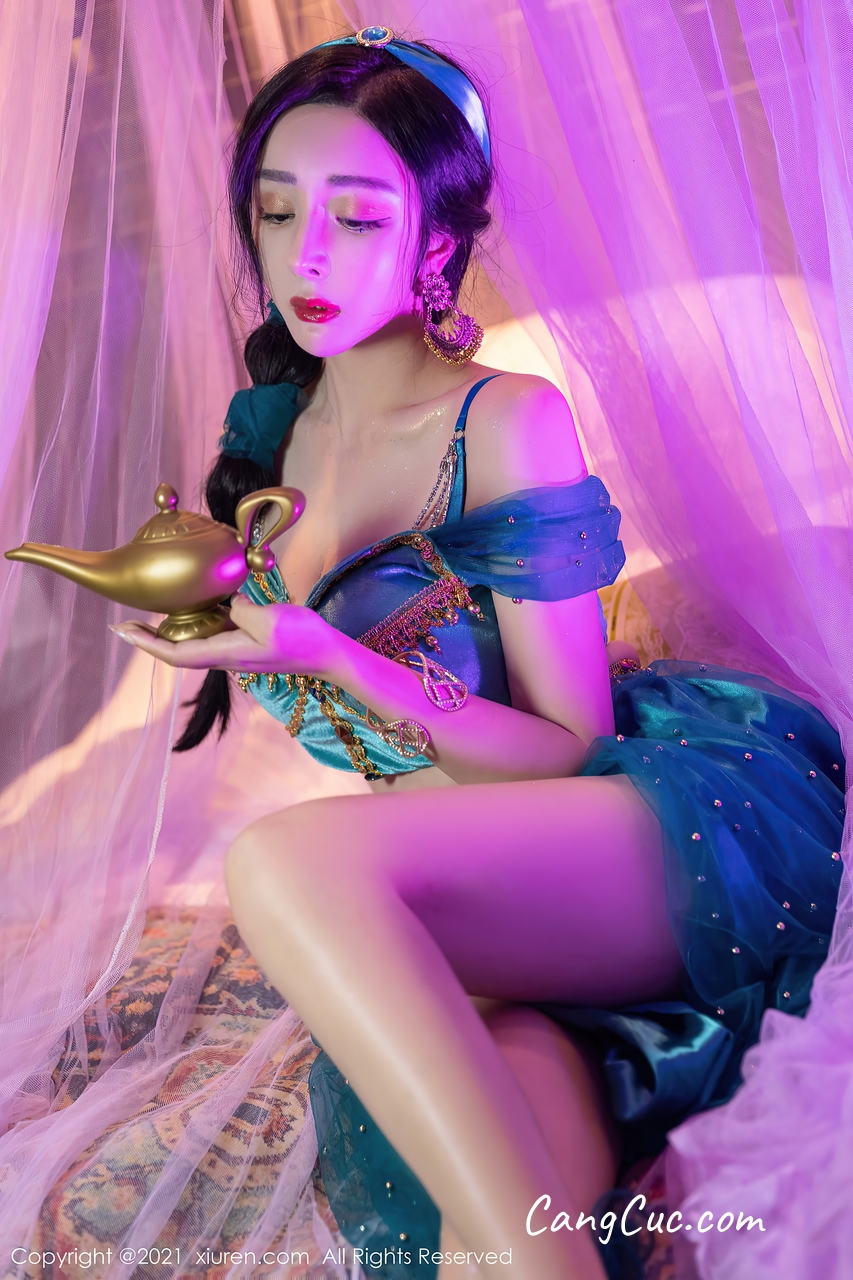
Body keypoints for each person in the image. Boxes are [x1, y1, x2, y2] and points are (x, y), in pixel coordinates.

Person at [114, 29, 845, 1280]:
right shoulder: (270, 440)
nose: (308, 254)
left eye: (358, 216)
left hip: (618, 833)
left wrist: (334, 656)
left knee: (279, 859)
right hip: (460, 904)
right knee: (500, 1231)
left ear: (436, 238)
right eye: (278, 212)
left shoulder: (504, 419)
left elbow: (568, 749)